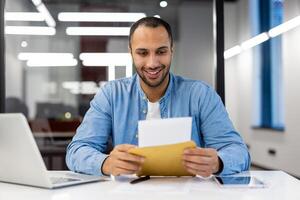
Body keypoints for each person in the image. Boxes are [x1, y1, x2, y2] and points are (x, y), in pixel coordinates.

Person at [66, 17, 250, 177]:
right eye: (143, 53)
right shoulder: (111, 95)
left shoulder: (200, 95)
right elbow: (76, 151)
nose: (152, 63)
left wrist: (218, 162)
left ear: (172, 50)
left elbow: (238, 151)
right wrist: (105, 163)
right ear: (131, 52)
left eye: (161, 52)